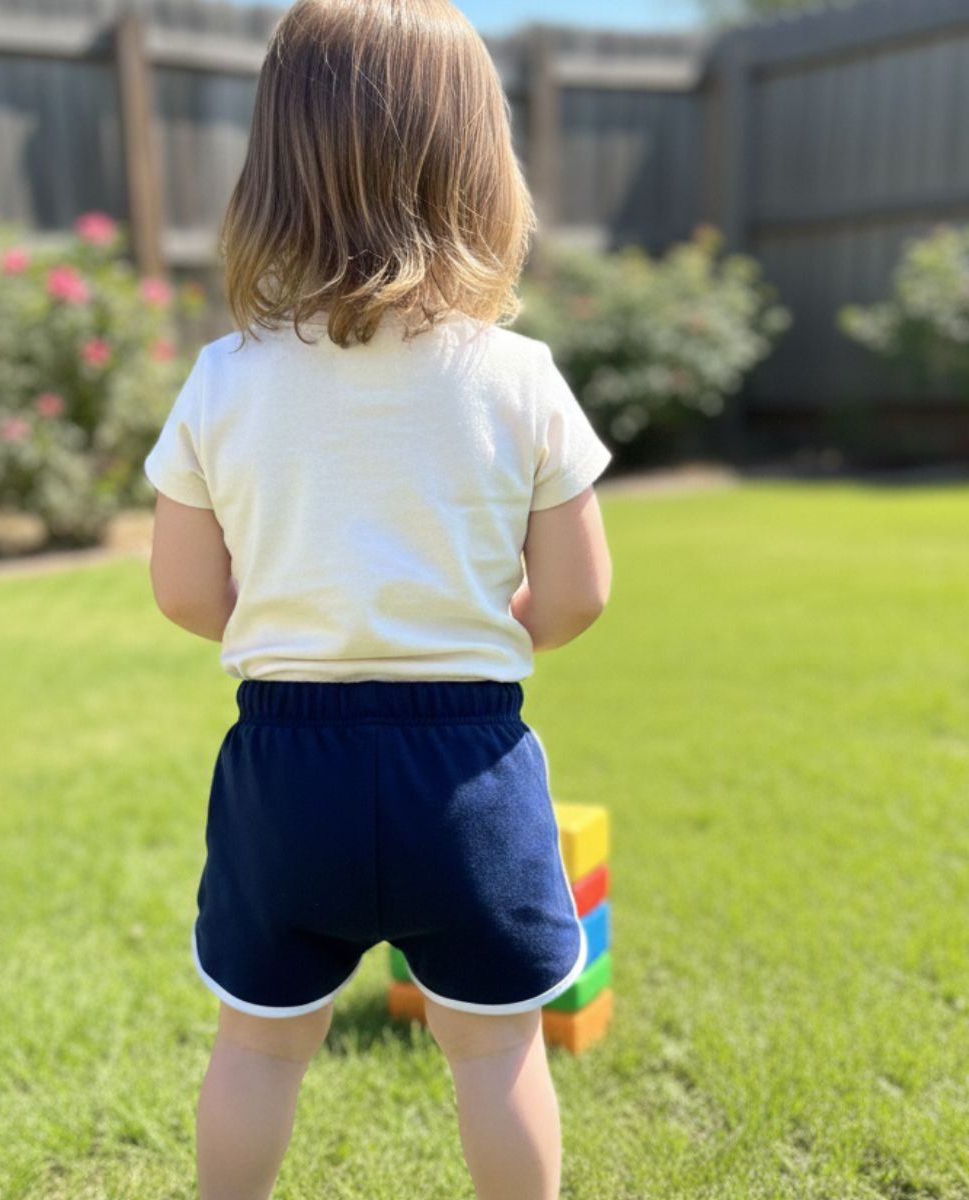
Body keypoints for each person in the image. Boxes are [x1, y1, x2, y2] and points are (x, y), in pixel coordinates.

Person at [143, 1, 614, 1196]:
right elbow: (577, 597)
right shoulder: (519, 379)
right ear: (483, 168)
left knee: (259, 1045)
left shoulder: (223, 379)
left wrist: (293, 615)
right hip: (466, 763)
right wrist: (493, 627)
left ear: (274, 170)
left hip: (286, 763)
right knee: (495, 1050)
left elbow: (186, 592)